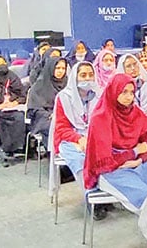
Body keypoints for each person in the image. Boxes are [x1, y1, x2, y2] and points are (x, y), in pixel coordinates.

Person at [83, 73, 147, 247]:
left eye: (131, 92)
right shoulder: (100, 118)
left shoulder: (137, 114)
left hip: (136, 166)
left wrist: (139, 159)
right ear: (113, 92)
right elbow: (104, 161)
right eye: (123, 92)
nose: (128, 97)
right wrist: (133, 152)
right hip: (111, 172)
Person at [49, 61, 112, 220]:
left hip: (95, 136)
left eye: (91, 75)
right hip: (69, 138)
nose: (88, 79)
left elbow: (107, 121)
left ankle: (107, 191)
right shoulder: (63, 97)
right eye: (83, 75)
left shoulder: (99, 94)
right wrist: (79, 139)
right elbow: (62, 128)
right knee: (80, 160)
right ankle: (91, 196)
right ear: (75, 77)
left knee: (108, 153)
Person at [26, 56, 68, 149]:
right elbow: (34, 109)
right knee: (54, 126)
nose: (60, 71)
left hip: (65, 115)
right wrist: (50, 114)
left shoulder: (68, 84)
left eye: (63, 68)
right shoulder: (39, 86)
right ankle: (56, 152)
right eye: (57, 68)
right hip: (44, 118)